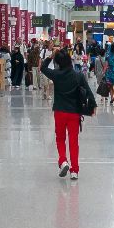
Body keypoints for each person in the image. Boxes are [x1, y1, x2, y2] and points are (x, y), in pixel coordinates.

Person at [43, 44, 94, 179]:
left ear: (58, 62)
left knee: (60, 138)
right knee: (73, 141)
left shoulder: (56, 75)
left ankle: (63, 161)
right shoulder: (78, 76)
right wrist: (92, 107)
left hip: (59, 111)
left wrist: (50, 56)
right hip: (74, 112)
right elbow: (89, 92)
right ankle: (74, 170)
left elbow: (42, 68)